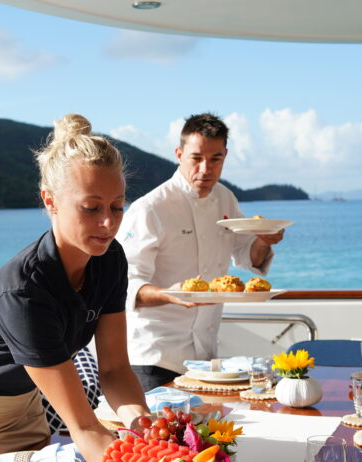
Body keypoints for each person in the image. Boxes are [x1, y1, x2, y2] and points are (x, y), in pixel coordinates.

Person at [0, 114, 150, 462]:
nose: (108, 223)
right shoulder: (23, 293)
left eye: (117, 206)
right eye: (91, 208)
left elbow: (114, 369)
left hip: (26, 402)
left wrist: (144, 424)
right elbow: (83, 426)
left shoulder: (110, 260)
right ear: (51, 201)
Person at [117, 113, 285, 391]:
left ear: (225, 156)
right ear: (179, 154)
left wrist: (264, 241)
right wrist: (170, 294)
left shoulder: (225, 199)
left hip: (205, 359)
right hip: (154, 356)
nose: (206, 169)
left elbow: (246, 256)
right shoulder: (151, 208)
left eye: (215, 159)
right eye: (196, 158)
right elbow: (125, 285)